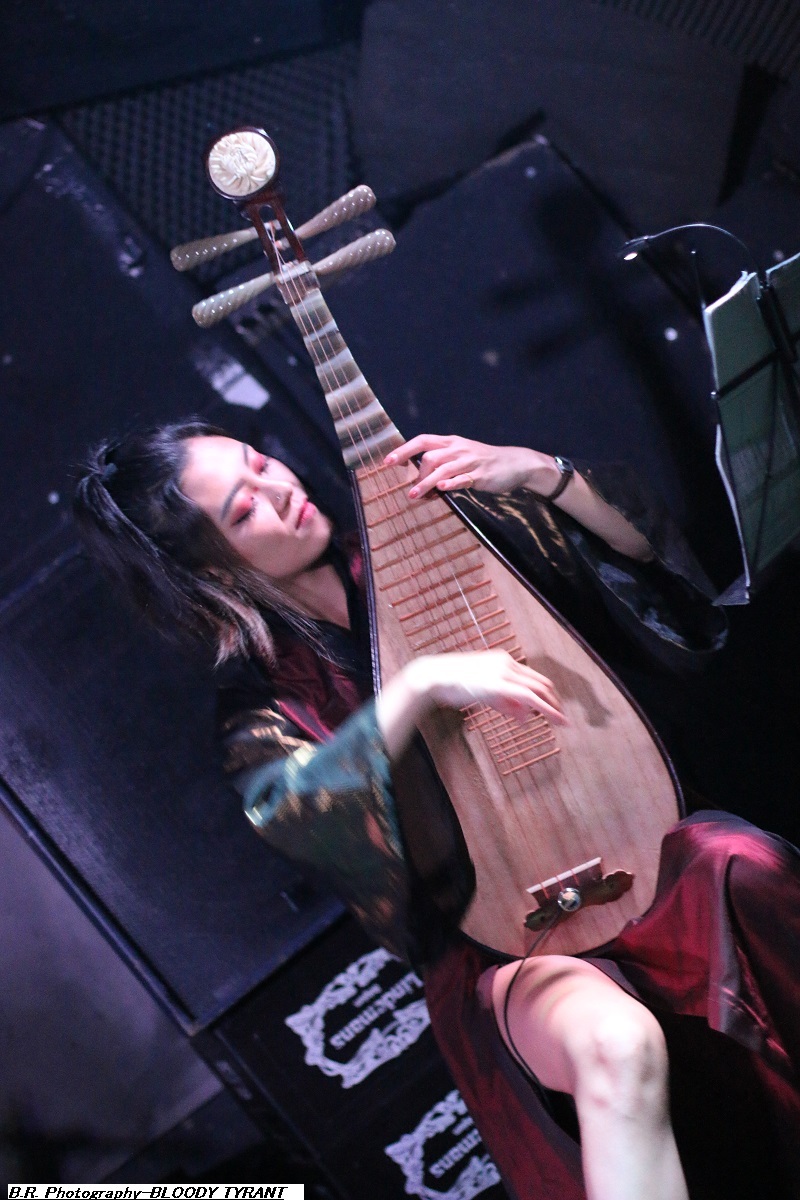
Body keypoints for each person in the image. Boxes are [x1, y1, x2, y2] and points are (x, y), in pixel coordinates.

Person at [73, 422, 800, 1199]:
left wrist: (539, 472)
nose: (280, 490)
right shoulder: (268, 707)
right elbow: (298, 805)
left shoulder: (435, 548)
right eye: (244, 510)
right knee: (614, 1047)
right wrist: (419, 688)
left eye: (260, 463)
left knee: (741, 860)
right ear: (213, 570)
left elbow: (641, 556)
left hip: (639, 859)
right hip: (508, 951)